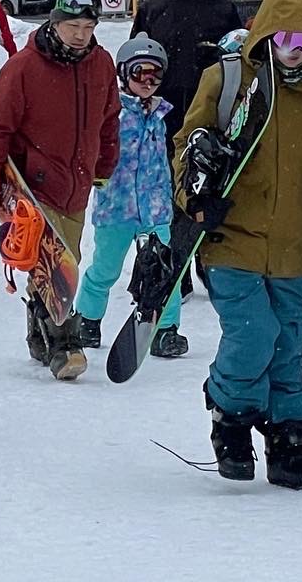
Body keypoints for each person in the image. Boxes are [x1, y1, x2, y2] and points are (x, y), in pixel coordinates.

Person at [174, 0, 302, 490]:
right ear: (263, 36)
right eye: (282, 39)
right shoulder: (229, 80)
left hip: (293, 245)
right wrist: (195, 196)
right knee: (254, 332)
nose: (293, 52)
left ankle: (289, 440)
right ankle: (230, 416)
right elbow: (187, 143)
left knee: (290, 341)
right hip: (232, 236)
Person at [0, 0, 119, 381]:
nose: (80, 34)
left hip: (77, 185)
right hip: (34, 187)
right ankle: (63, 344)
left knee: (60, 262)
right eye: (72, 25)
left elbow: (109, 119)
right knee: (57, 269)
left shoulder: (101, 64)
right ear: (54, 22)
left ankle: (39, 330)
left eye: (88, 26)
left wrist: (104, 164)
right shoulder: (23, 68)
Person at [70, 34, 187, 360]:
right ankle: (88, 320)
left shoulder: (162, 114)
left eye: (154, 75)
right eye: (139, 74)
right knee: (105, 269)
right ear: (123, 75)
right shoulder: (113, 115)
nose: (147, 82)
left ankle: (166, 329)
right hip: (117, 209)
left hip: (155, 210)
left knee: (166, 272)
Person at [132, 0, 242, 155]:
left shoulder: (222, 8)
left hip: (210, 111)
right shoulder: (152, 9)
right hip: (162, 112)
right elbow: (134, 64)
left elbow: (238, 60)